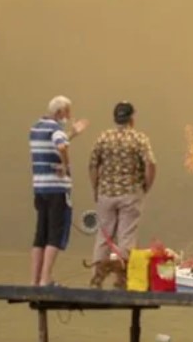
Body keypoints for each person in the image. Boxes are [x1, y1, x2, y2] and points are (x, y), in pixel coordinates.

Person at [88, 101, 157, 288]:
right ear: (131, 119)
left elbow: (93, 164)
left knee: (104, 237)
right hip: (131, 194)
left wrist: (96, 188)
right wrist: (146, 186)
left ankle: (97, 278)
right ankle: (124, 280)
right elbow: (150, 164)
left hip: (106, 194)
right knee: (126, 237)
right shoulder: (139, 139)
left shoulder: (103, 138)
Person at [29, 95, 89, 286]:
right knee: (55, 233)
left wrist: (72, 133)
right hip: (57, 189)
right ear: (60, 112)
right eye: (68, 112)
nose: (69, 116)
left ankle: (35, 280)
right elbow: (61, 146)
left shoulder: (36, 127)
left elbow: (56, 143)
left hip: (40, 188)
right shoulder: (56, 129)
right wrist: (66, 166)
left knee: (41, 234)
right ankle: (46, 278)